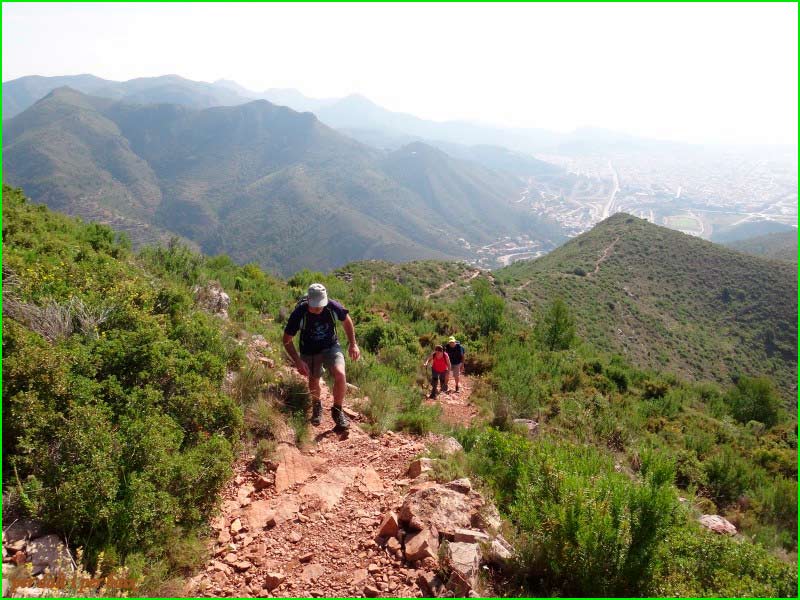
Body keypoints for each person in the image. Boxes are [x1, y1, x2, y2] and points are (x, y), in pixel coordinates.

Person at [282, 283, 361, 430]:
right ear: (308, 301)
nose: (318, 309)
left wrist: (353, 344)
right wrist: (298, 361)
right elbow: (286, 340)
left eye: (321, 305)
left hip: (331, 345)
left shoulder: (332, 307)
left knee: (340, 374)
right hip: (310, 350)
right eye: (315, 306)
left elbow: (346, 320)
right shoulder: (299, 313)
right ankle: (316, 405)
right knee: (314, 379)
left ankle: (337, 410)